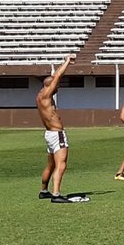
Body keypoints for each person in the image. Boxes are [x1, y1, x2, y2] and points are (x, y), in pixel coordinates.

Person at [37, 55, 82, 203]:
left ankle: (44, 191)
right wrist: (67, 61)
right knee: (61, 164)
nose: (58, 87)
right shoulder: (46, 95)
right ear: (50, 86)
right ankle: (56, 194)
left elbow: (54, 76)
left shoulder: (40, 95)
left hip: (49, 134)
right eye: (56, 86)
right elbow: (57, 76)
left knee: (51, 164)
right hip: (57, 134)